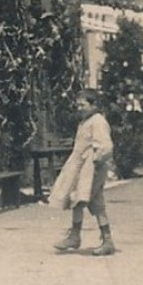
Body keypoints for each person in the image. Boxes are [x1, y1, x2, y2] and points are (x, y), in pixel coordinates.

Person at [51, 89, 116, 257]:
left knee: (82, 199)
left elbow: (105, 146)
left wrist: (95, 159)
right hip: (83, 168)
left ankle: (78, 236)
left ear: (93, 105)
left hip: (93, 168)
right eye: (78, 105)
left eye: (83, 105)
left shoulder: (98, 121)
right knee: (87, 200)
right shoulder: (85, 122)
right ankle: (102, 239)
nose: (79, 108)